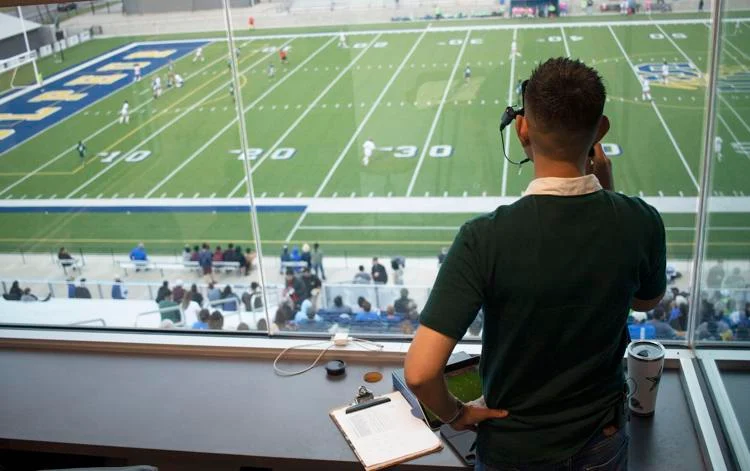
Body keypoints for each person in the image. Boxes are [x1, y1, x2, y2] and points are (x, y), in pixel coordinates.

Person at [404, 58, 667, 469]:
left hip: (514, 449)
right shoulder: (641, 220)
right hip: (602, 437)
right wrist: (607, 185)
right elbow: (645, 300)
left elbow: (420, 373)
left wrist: (457, 413)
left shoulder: (483, 238)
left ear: (522, 128)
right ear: (600, 131)